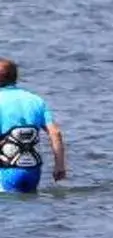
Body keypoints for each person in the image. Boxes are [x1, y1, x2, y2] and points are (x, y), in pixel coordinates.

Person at [0, 59, 68, 194]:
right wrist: (59, 166)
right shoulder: (36, 100)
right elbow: (55, 133)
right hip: (32, 171)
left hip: (5, 169)